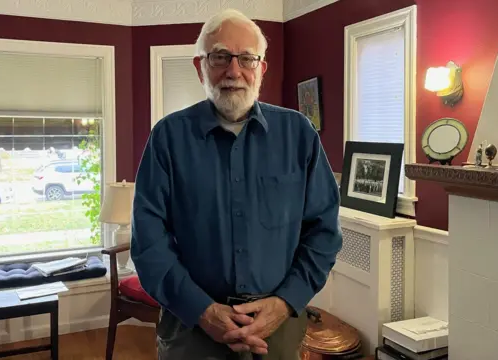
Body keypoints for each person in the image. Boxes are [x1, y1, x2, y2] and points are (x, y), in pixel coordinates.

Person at [130, 8, 343, 360]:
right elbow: (149, 241)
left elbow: (324, 230)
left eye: (246, 58)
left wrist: (285, 301)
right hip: (191, 328)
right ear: (200, 67)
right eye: (220, 57)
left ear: (261, 68)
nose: (234, 71)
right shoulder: (168, 138)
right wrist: (202, 310)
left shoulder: (299, 135)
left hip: (279, 326)